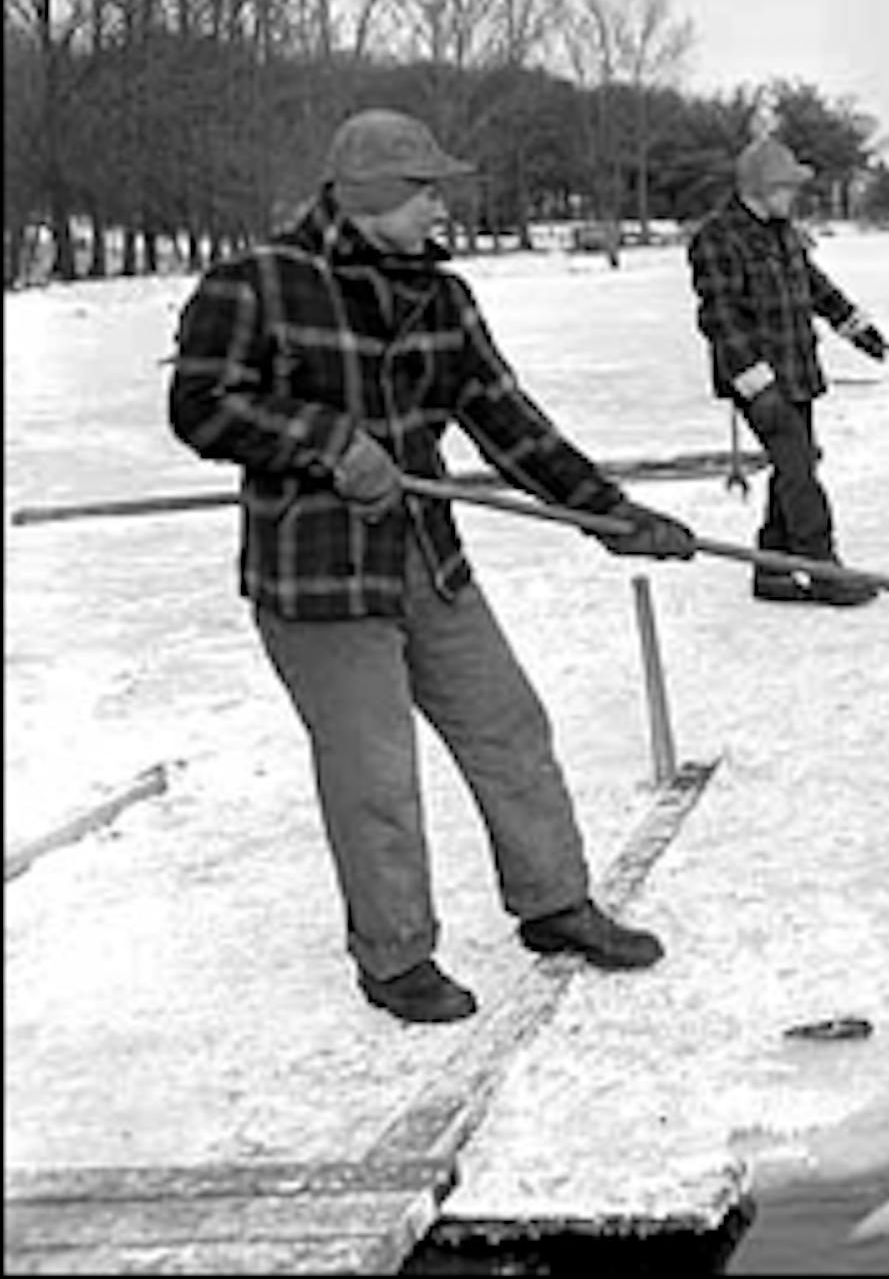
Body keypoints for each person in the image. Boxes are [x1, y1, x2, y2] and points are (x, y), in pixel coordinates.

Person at [168, 108, 700, 1025]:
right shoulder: (254, 285)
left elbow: (508, 422)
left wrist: (609, 513)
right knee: (375, 774)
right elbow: (200, 405)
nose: (438, 210)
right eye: (425, 192)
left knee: (510, 727)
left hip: (426, 557)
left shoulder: (441, 299)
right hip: (320, 579)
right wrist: (326, 441)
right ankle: (395, 957)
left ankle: (553, 902)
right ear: (370, 193)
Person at [686, 134, 887, 606]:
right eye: (786, 188)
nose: (793, 196)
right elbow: (720, 317)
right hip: (758, 378)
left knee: (796, 463)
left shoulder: (784, 232)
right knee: (799, 468)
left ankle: (772, 570)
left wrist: (854, 326)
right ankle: (822, 568)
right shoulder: (717, 238)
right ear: (759, 188)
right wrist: (755, 384)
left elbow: (815, 287)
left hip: (796, 366)